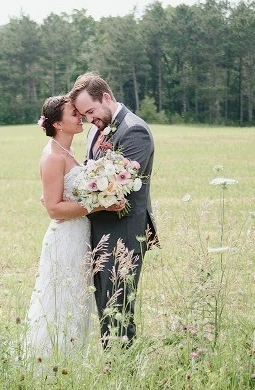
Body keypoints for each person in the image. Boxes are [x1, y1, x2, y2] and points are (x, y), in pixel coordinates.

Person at [24, 94, 126, 361]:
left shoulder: (67, 151)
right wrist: (101, 205)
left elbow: (58, 195)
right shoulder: (52, 157)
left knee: (77, 302)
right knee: (61, 300)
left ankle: (70, 360)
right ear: (57, 124)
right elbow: (54, 209)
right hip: (65, 239)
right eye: (73, 113)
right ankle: (47, 362)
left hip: (80, 235)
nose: (80, 116)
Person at [68, 71, 159, 347]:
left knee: (119, 306)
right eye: (83, 115)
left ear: (106, 97)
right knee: (104, 305)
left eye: (91, 111)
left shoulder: (134, 131)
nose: (89, 120)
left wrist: (68, 205)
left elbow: (119, 189)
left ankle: (123, 367)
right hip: (100, 231)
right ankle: (113, 363)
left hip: (124, 232)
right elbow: (88, 173)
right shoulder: (97, 128)